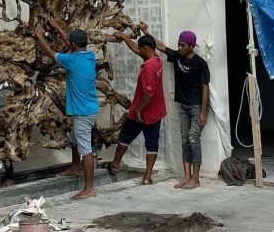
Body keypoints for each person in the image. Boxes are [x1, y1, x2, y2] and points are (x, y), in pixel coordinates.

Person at [33, 19, 99, 201]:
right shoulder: (89, 55)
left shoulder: (71, 60)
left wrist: (39, 37)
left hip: (82, 113)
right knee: (74, 139)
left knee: (86, 149)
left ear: (74, 45)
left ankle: (89, 189)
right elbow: (70, 45)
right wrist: (57, 27)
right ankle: (75, 167)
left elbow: (50, 52)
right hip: (87, 109)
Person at [139, 22, 210, 190]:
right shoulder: (177, 56)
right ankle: (186, 176)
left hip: (196, 106)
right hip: (183, 105)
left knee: (193, 139)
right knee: (185, 140)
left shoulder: (200, 63)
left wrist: (203, 112)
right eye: (178, 44)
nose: (179, 47)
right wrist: (146, 32)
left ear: (191, 46)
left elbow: (205, 87)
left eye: (183, 45)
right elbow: (161, 46)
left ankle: (196, 179)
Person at [106, 33, 166, 185]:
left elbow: (148, 94)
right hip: (156, 112)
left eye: (141, 49)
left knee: (125, 136)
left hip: (142, 112)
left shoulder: (148, 68)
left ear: (146, 48)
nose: (138, 51)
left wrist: (139, 109)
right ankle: (147, 177)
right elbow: (136, 49)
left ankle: (115, 164)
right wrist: (124, 37)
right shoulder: (156, 60)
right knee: (152, 143)